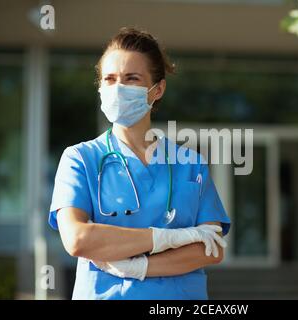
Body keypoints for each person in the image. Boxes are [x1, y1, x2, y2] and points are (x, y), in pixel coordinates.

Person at [48, 27, 231, 300]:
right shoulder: (80, 159)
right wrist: (169, 238)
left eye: (132, 79)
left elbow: (212, 248)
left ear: (157, 89)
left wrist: (141, 267)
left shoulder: (190, 164)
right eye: (109, 79)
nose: (118, 89)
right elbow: (78, 239)